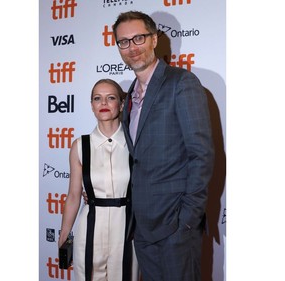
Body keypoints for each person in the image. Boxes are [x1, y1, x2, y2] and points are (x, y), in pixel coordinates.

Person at [112, 11, 215, 281]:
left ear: (154, 39)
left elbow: (201, 154)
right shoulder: (130, 96)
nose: (132, 47)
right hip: (142, 227)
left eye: (138, 38)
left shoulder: (181, 83)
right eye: (124, 42)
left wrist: (187, 221)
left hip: (175, 226)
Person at [58, 79, 139, 281]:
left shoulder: (135, 144)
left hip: (127, 230)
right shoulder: (80, 146)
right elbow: (74, 195)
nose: (103, 103)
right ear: (92, 106)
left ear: (121, 104)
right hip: (90, 230)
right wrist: (64, 234)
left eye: (110, 98)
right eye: (97, 98)